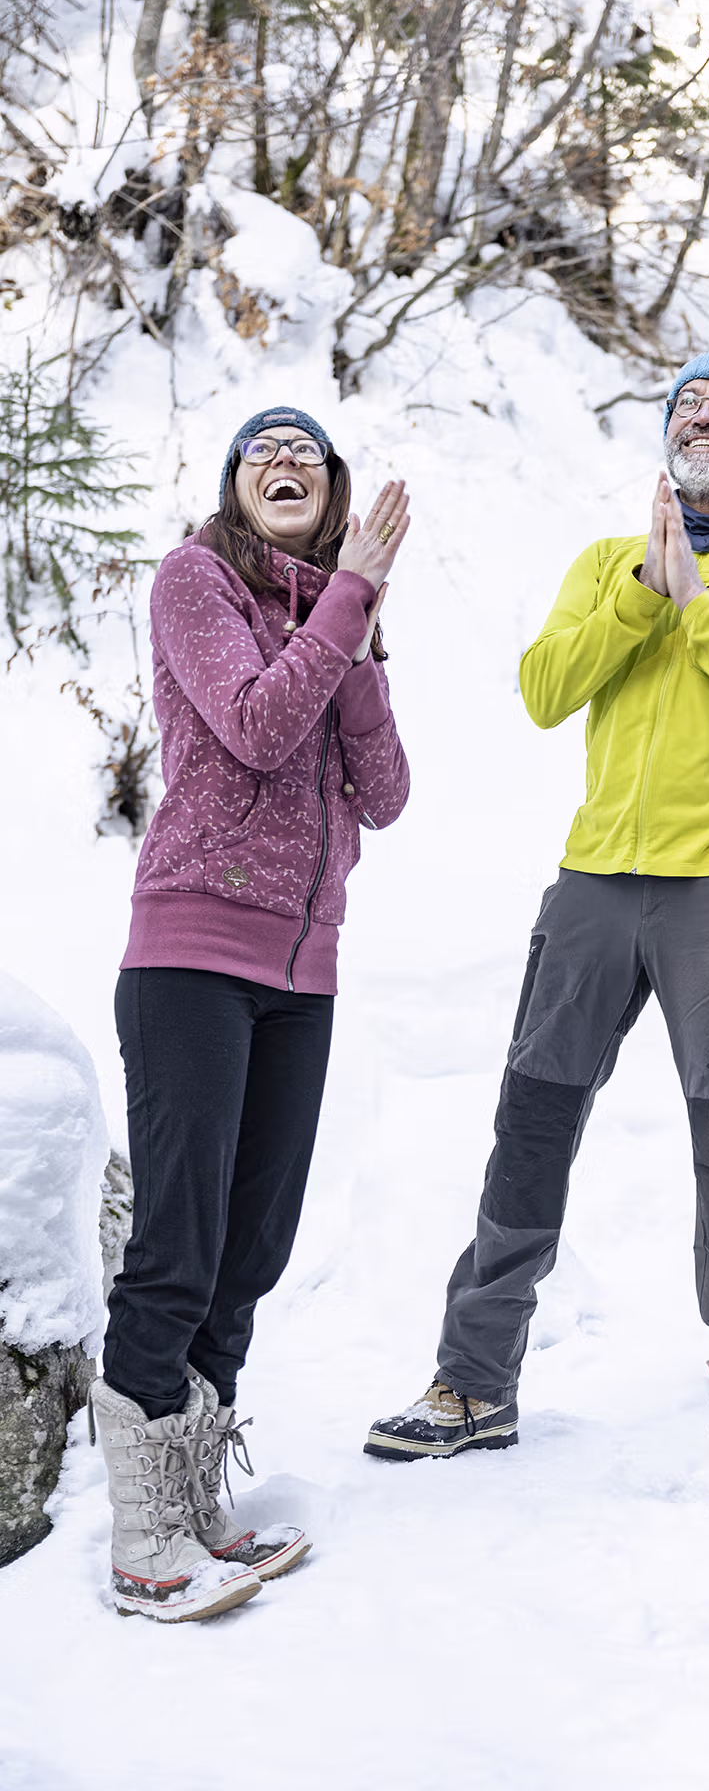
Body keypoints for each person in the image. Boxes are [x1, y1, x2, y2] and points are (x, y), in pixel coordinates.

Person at [365, 352, 709, 1520]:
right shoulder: (604, 561)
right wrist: (643, 587)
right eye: (683, 405)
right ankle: (474, 1383)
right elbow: (543, 687)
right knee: (530, 1121)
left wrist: (699, 603)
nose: (700, 417)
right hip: (592, 883)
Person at [92, 407, 410, 1622]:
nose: (285, 466)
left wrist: (357, 620)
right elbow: (258, 724)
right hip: (189, 950)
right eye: (260, 453)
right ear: (233, 485)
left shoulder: (336, 612)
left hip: (303, 970)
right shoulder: (193, 581)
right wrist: (349, 608)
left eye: (308, 456)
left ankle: (193, 1496)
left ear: (332, 495)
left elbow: (382, 793)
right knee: (176, 1243)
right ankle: (141, 1535)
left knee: (251, 1248)